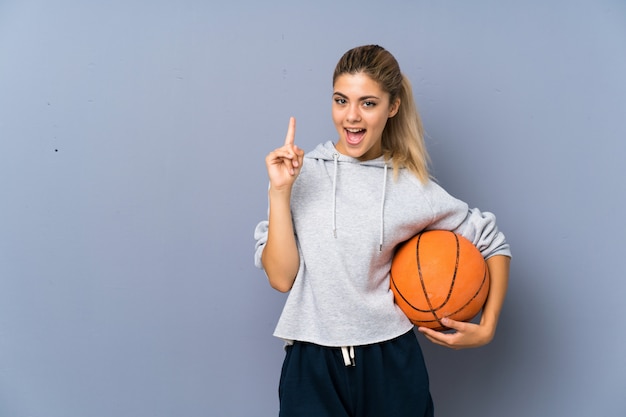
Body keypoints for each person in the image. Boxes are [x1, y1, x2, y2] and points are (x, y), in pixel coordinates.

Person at [254, 45, 511, 417]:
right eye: (341, 100)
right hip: (311, 363)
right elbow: (281, 278)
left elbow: (491, 242)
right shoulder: (299, 174)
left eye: (368, 103)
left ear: (393, 107)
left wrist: (487, 327)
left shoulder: (410, 186)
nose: (352, 117)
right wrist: (280, 192)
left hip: (390, 361)